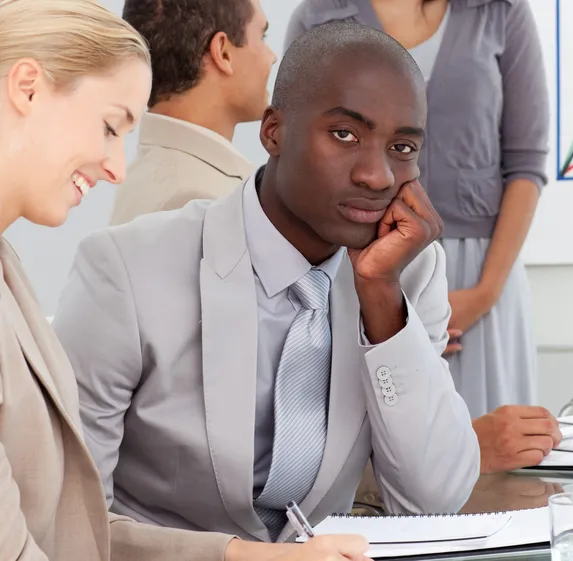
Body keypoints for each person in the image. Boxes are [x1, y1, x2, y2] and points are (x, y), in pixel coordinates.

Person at [53, 22, 480, 545]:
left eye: (402, 147)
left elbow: (434, 498)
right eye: (345, 134)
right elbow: (67, 521)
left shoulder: (409, 272)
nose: (378, 176)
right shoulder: (127, 269)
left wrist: (382, 302)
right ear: (273, 131)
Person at [0, 1, 371, 560]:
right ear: (27, 88)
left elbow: (68, 523)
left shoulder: (10, 273)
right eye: (108, 127)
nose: (117, 168)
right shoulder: (177, 222)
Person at [285, 0, 549, 418]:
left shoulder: (501, 11)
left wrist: (483, 295)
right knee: (371, 443)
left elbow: (526, 164)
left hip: (482, 276)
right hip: (356, 266)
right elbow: (300, 153)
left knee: (495, 454)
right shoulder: (319, 16)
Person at [110, 0, 276, 226]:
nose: (272, 56)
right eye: (262, 37)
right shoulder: (194, 202)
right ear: (223, 52)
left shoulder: (162, 178)